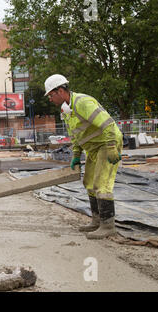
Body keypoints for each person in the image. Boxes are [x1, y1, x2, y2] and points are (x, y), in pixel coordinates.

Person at [44, 74, 122, 239]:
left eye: (51, 95)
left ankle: (108, 226)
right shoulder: (66, 110)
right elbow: (76, 136)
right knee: (89, 182)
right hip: (93, 148)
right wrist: (76, 155)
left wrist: (111, 147)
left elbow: (107, 123)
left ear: (60, 90)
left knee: (102, 184)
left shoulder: (83, 102)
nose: (50, 99)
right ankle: (97, 220)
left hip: (106, 144)